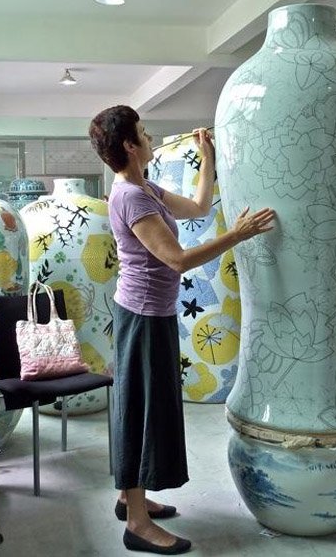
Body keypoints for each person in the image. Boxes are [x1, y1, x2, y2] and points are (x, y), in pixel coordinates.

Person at [89, 105, 275, 555]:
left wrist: (206, 159)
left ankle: (127, 498)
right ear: (131, 146)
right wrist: (240, 233)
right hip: (143, 318)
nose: (151, 138)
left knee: (143, 405)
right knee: (141, 410)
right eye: (145, 133)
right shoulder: (130, 197)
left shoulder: (144, 187)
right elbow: (178, 259)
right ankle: (136, 524)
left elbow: (197, 208)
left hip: (153, 313)